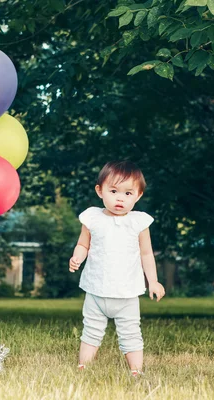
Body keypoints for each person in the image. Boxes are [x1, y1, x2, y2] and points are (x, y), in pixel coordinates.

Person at [69, 160, 165, 377]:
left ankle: (136, 370)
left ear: (138, 196)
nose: (120, 198)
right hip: (96, 290)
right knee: (91, 331)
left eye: (128, 193)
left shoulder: (138, 223)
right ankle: (83, 366)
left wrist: (154, 281)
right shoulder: (92, 218)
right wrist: (77, 257)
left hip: (127, 294)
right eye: (113, 191)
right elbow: (84, 244)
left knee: (131, 332)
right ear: (100, 191)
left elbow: (146, 254)